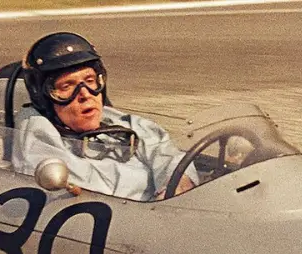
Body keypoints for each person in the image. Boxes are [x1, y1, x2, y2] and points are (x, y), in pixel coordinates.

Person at [12, 32, 195, 201]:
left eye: (90, 81)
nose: (85, 94)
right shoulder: (37, 135)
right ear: (43, 96)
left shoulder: (115, 120)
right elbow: (96, 189)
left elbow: (166, 153)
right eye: (67, 87)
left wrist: (175, 190)